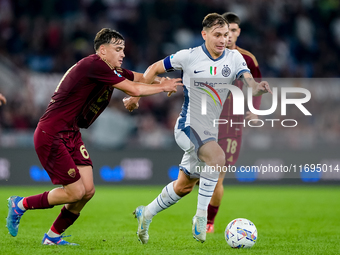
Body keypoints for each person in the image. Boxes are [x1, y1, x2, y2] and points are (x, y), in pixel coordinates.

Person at [6, 28, 182, 245]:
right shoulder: (94, 65)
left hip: (71, 132)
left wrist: (158, 80)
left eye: (123, 49)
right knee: (75, 192)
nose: (123, 54)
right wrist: (162, 87)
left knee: (87, 191)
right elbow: (134, 89)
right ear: (102, 50)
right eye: (118, 49)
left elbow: (139, 78)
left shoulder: (108, 69)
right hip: (51, 132)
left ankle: (52, 237)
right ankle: (20, 204)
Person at [124, 13, 271, 244]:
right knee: (217, 157)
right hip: (187, 126)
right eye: (217, 35)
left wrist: (258, 88)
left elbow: (249, 81)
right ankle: (201, 218)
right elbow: (153, 68)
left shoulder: (234, 58)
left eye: (226, 35)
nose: (223, 39)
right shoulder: (188, 56)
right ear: (204, 35)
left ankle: (147, 213)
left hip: (209, 131)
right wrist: (136, 96)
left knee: (183, 187)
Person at [206, 12, 263, 233]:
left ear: (238, 32)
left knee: (218, 176)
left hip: (231, 125)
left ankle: (209, 222)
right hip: (206, 122)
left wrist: (255, 111)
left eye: (233, 31)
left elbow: (256, 86)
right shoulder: (208, 56)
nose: (229, 35)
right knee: (199, 179)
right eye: (225, 31)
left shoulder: (247, 59)